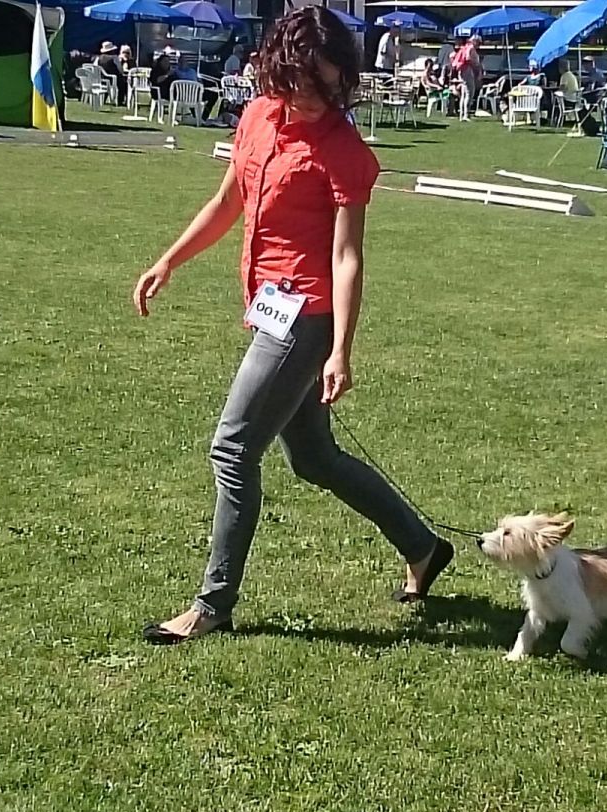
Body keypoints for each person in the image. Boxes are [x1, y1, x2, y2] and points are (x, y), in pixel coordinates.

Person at [132, 5, 454, 645]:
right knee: (313, 457)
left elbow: (347, 256)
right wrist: (170, 260)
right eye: (305, 84)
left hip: (306, 317)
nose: (316, 99)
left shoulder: (344, 152)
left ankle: (213, 605)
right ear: (279, 71)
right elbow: (229, 200)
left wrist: (340, 350)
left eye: (330, 87)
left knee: (233, 448)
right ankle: (423, 547)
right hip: (268, 304)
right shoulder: (257, 117)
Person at [453, 34, 482, 119]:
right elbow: (468, 58)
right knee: (470, 92)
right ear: (475, 41)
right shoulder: (471, 48)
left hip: (462, 71)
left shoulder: (465, 47)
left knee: (464, 93)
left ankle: (462, 114)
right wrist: (475, 67)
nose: (479, 45)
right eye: (479, 43)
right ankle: (466, 114)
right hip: (467, 70)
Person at [95, 40, 126, 105]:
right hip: (113, 78)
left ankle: (103, 99)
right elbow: (120, 69)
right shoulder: (114, 58)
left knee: (106, 85)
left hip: (101, 78)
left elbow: (95, 67)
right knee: (123, 84)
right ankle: (120, 101)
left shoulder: (98, 58)